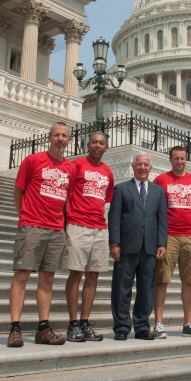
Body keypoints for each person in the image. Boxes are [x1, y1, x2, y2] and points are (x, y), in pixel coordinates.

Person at [7, 122, 74, 348]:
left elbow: (67, 198)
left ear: (69, 141)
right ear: (49, 138)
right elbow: (19, 191)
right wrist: (25, 216)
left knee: (47, 278)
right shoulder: (33, 161)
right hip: (32, 225)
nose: (60, 139)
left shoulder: (70, 168)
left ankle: (43, 328)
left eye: (64, 136)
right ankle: (15, 328)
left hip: (56, 229)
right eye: (57, 135)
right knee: (22, 275)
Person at [108, 153, 167, 340]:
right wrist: (114, 243)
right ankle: (122, 326)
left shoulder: (158, 192)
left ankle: (142, 325)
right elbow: (114, 218)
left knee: (146, 289)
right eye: (139, 164)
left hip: (149, 247)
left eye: (146, 165)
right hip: (127, 246)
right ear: (133, 167)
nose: (142, 167)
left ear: (151, 168)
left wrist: (161, 243)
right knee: (121, 288)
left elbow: (162, 220)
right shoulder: (122, 189)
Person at [63, 132, 114, 342]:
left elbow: (105, 198)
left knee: (93, 275)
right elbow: (65, 192)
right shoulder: (76, 165)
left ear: (106, 148)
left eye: (101, 143)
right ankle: (72, 324)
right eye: (94, 142)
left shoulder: (108, 172)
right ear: (88, 145)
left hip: (100, 227)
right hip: (77, 224)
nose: (97, 146)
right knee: (76, 273)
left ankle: (85, 322)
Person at [153, 146, 191, 337]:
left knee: (189, 280)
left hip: (190, 236)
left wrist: (190, 221)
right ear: (170, 159)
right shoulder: (161, 180)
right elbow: (155, 207)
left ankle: (188, 323)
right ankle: (158, 323)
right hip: (168, 236)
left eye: (182, 158)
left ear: (186, 160)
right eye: (176, 158)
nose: (179, 161)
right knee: (162, 280)